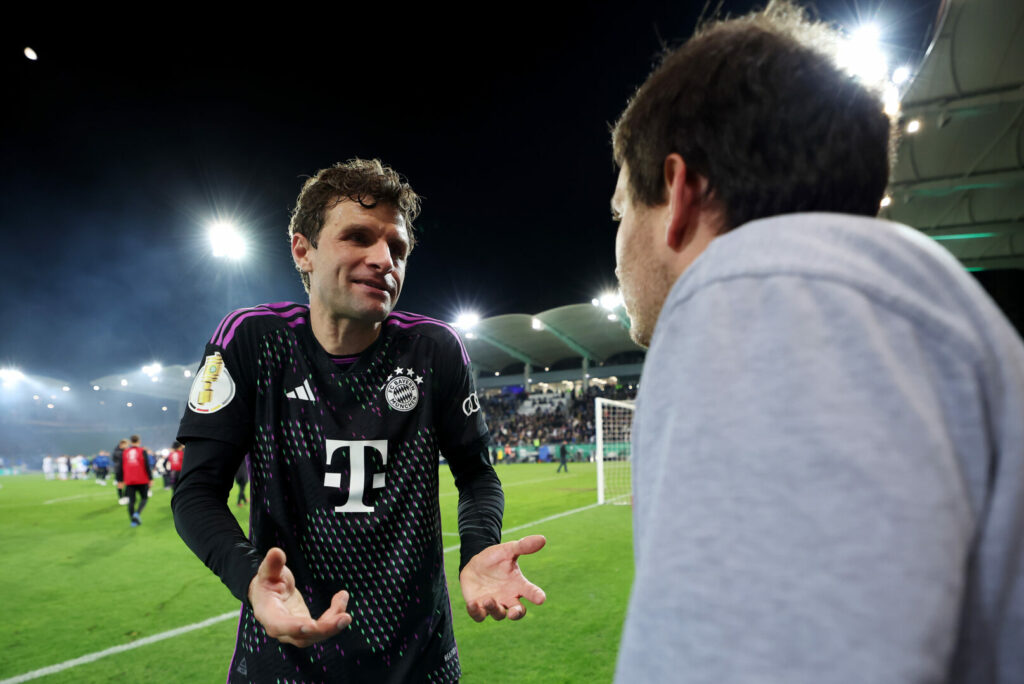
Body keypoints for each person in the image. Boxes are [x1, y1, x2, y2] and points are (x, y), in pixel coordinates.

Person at [609, 3, 1024, 683]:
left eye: (623, 209)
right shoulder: (937, 312)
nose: (619, 244)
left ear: (680, 192)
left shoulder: (757, 299)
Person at [172, 158, 546, 683]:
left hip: (418, 663)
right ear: (303, 250)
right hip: (281, 664)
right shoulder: (252, 340)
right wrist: (251, 577)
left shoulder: (433, 349)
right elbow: (196, 491)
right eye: (358, 237)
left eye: (397, 248)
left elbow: (477, 475)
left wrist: (480, 547)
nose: (383, 259)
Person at [118, 435, 152, 527]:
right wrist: (150, 478)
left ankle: (133, 521)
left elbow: (120, 467)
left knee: (131, 501)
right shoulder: (142, 451)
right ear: (139, 441)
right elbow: (147, 465)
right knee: (144, 498)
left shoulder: (125, 452)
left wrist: (120, 480)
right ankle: (137, 513)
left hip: (129, 480)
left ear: (130, 441)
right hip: (142, 479)